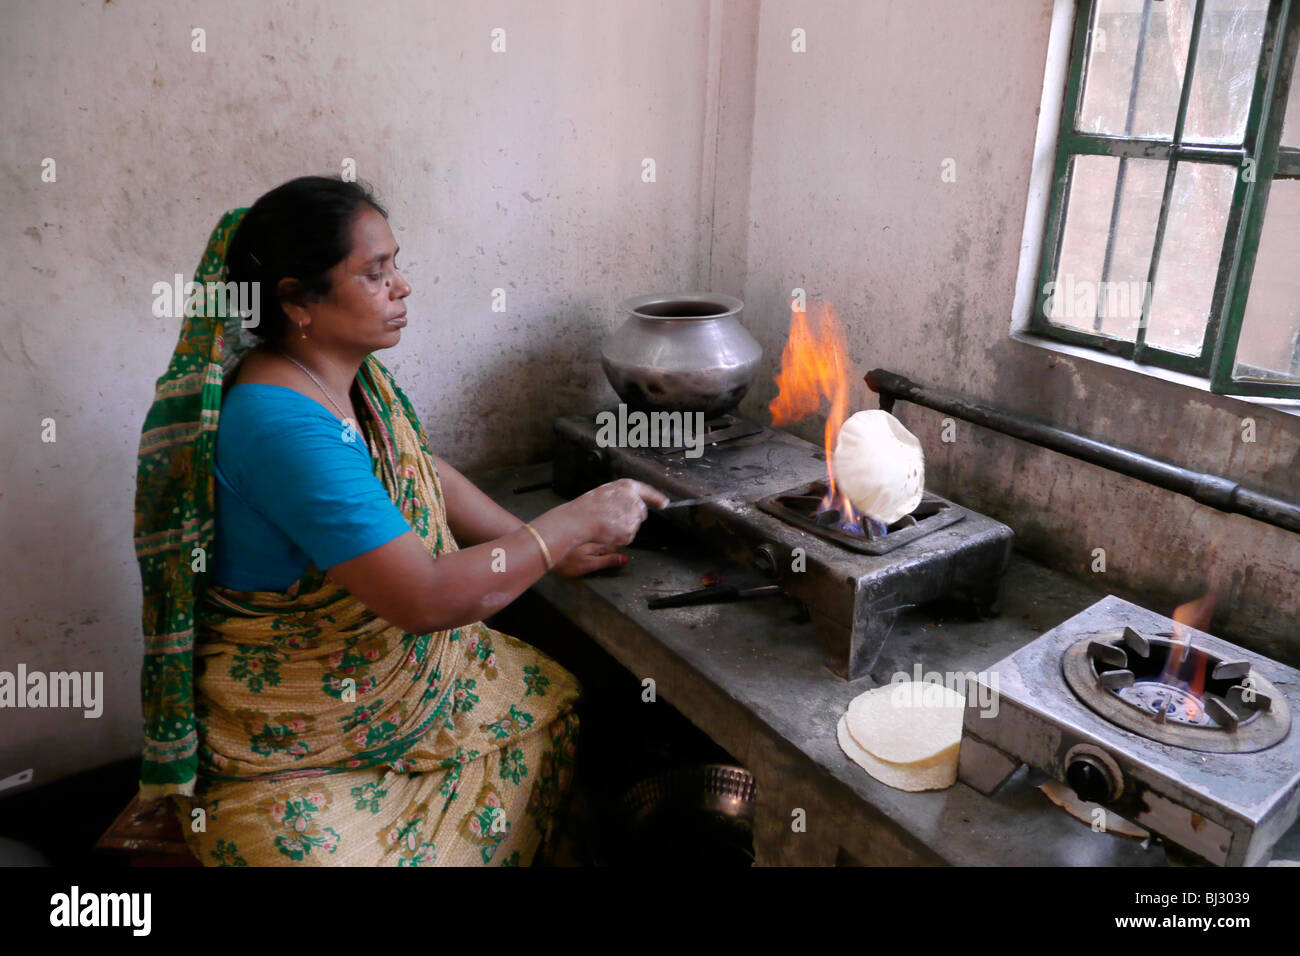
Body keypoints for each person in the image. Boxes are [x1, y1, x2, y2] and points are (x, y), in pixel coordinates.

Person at [133, 175, 667, 866]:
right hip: (304, 743)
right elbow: (422, 597)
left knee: (549, 708)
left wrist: (539, 547)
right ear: (298, 299)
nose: (402, 286)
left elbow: (420, 472)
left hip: (412, 695)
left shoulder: (341, 377)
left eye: (395, 264)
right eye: (375, 273)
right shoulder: (279, 422)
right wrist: (567, 525)